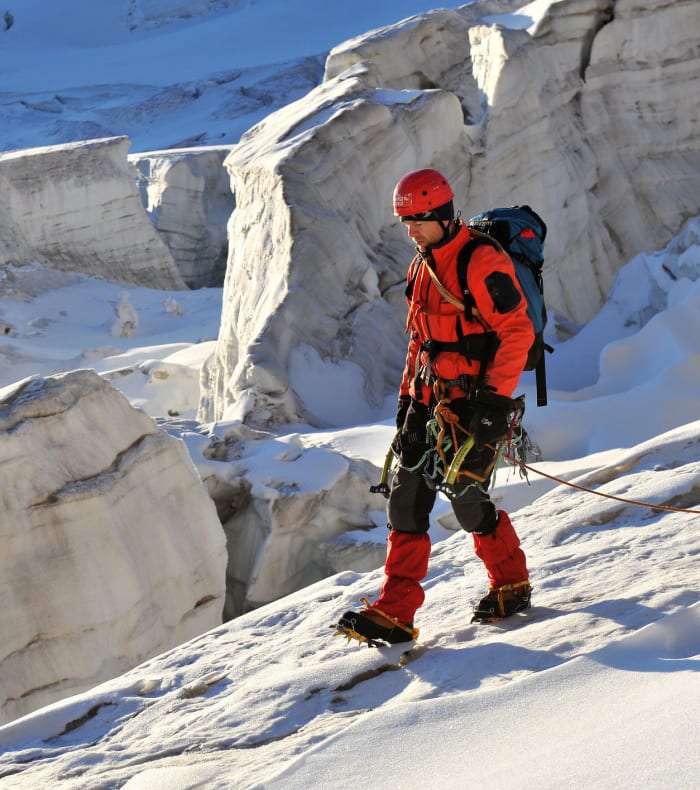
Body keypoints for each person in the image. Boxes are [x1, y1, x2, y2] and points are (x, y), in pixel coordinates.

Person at [338, 168, 533, 644]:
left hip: (475, 403)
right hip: (430, 403)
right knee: (406, 499)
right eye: (406, 222)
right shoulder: (421, 267)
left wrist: (492, 403)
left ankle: (511, 584)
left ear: (444, 214)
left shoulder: (481, 261)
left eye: (419, 220)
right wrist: (408, 402)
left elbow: (517, 331)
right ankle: (396, 612)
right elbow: (420, 343)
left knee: (467, 499)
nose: (412, 231)